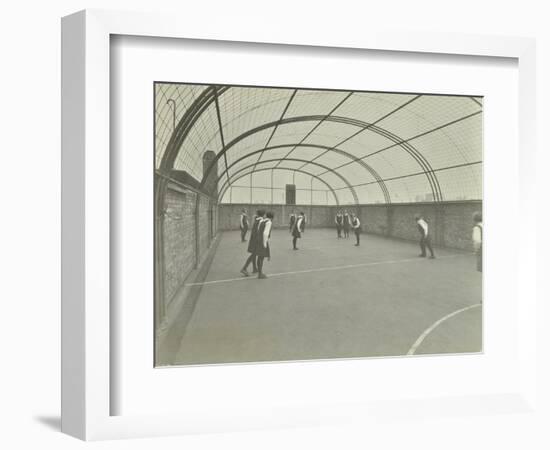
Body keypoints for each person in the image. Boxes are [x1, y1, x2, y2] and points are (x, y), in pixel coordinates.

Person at [240, 209, 265, 276]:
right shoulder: (260, 221)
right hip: (256, 240)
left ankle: (254, 268)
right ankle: (244, 268)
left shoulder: (257, 219)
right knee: (254, 254)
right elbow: (259, 232)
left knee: (254, 254)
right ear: (263, 215)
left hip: (253, 240)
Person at [256, 211, 274, 279]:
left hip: (259, 239)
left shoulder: (262, 221)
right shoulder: (269, 222)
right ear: (272, 218)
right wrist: (265, 243)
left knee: (259, 257)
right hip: (263, 240)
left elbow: (258, 229)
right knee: (262, 257)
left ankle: (259, 272)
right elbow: (265, 233)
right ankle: (260, 274)